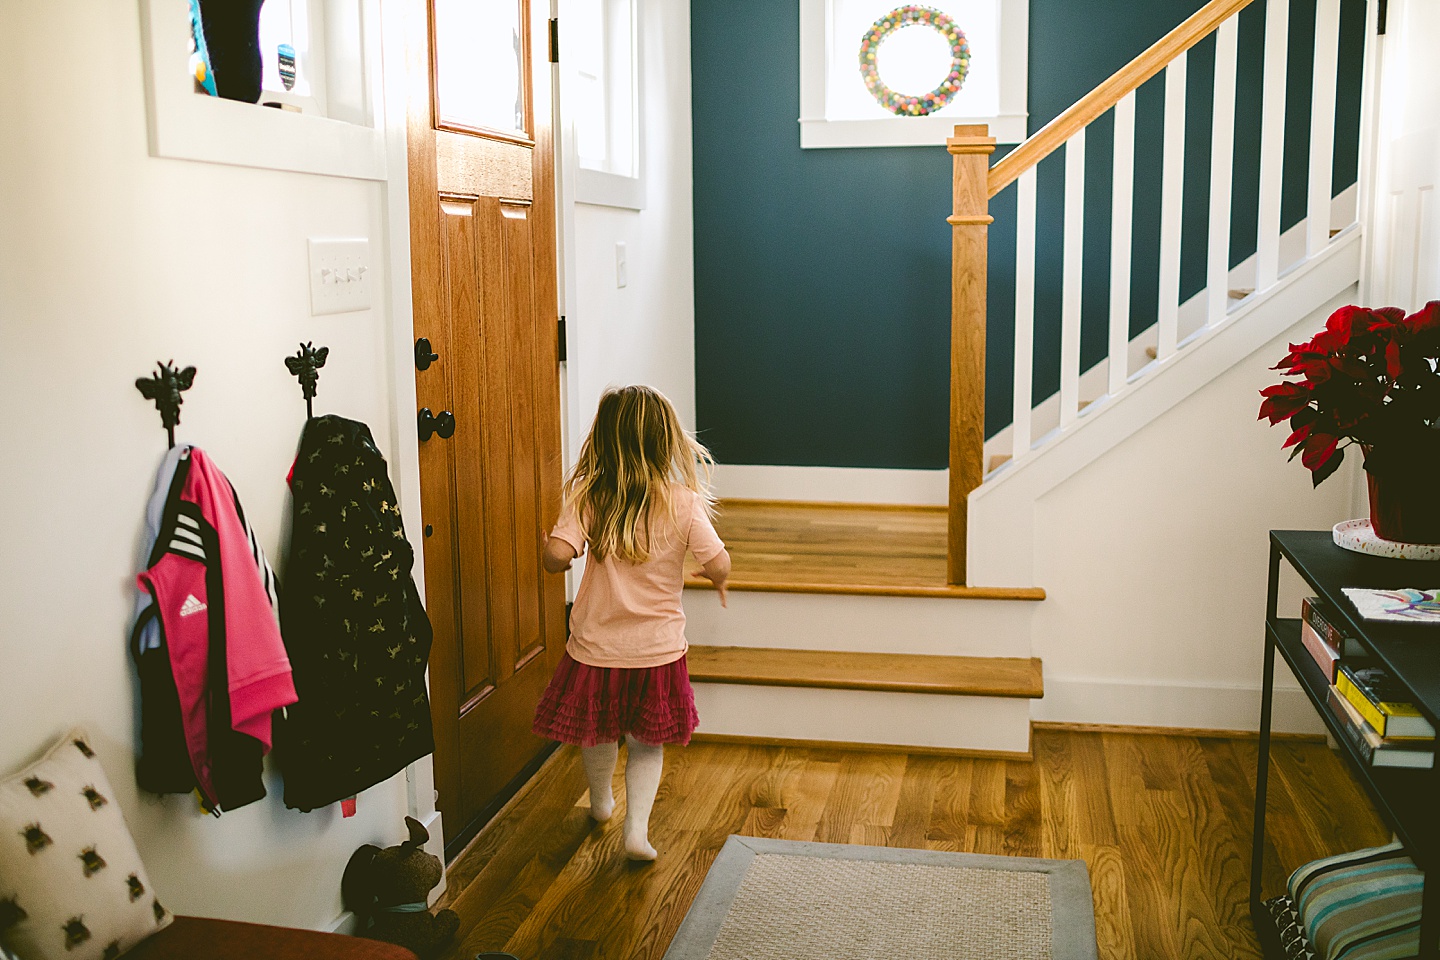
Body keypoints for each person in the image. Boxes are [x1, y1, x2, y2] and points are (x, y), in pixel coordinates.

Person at [533, 385, 731, 861]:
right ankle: (636, 833)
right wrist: (714, 577)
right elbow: (719, 560)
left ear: (603, 440)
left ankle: (601, 802)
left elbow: (557, 558)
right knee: (647, 745)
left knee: (596, 731)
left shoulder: (590, 499)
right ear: (666, 442)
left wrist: (549, 547)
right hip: (657, 651)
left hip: (596, 647)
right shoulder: (684, 503)